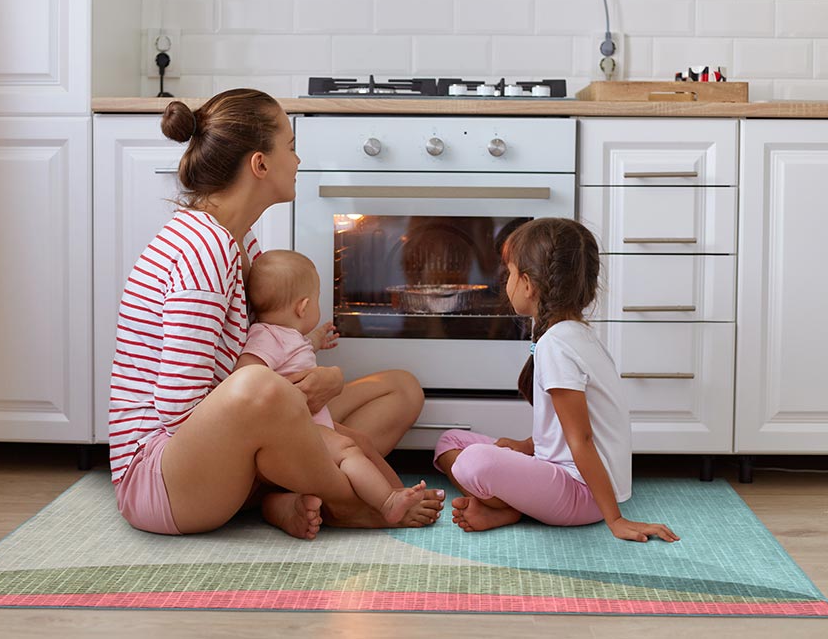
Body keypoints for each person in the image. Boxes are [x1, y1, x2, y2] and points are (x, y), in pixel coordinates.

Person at [108, 88, 441, 540]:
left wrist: (319, 389)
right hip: (162, 481)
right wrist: (298, 416)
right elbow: (176, 408)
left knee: (399, 389)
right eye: (289, 146)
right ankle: (354, 506)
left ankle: (280, 499)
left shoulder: (239, 241)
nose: (298, 159)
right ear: (259, 165)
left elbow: (261, 350)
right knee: (271, 395)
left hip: (224, 448)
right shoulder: (204, 250)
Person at [433, 218, 679, 543]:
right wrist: (525, 447)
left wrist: (615, 520)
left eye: (509, 273)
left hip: (582, 492)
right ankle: (511, 505)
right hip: (566, 476)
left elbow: (583, 440)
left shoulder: (557, 345)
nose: (505, 282)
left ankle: (509, 509)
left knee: (473, 461)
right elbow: (567, 429)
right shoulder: (571, 334)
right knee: (450, 442)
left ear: (528, 284)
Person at [237, 249, 430, 525]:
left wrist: (314, 340)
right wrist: (284, 394)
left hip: (311, 423)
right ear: (303, 307)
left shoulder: (284, 335)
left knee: (358, 444)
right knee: (348, 453)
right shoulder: (265, 337)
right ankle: (385, 503)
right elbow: (246, 377)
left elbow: (292, 350)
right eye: (316, 300)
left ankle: (396, 495)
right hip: (295, 432)